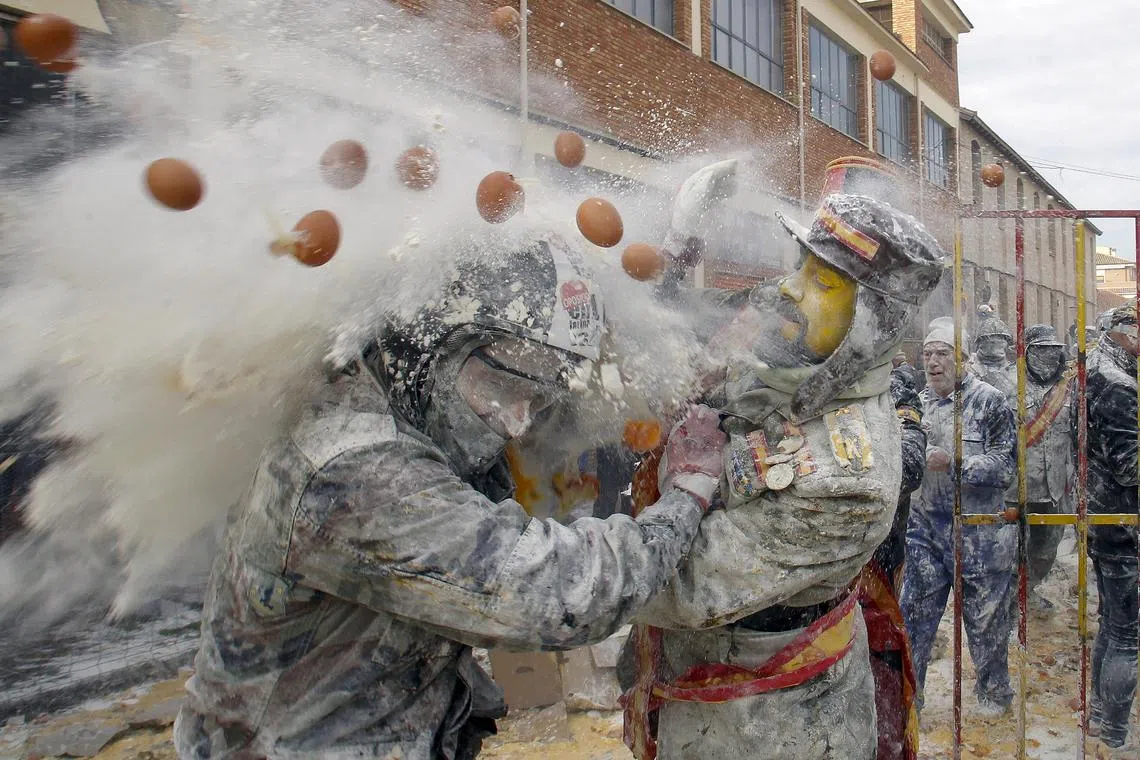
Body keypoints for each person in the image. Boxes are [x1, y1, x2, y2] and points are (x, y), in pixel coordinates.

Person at [173, 238, 728, 760]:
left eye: (536, 396)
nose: (517, 421)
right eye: (509, 388)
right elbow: (562, 592)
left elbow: (556, 424)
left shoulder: (413, 393)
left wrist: (665, 283)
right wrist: (688, 491)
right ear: (434, 338)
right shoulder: (354, 471)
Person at [619, 193, 944, 760]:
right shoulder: (804, 344)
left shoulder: (847, 479)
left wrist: (685, 486)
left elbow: (672, 588)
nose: (791, 287)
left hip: (770, 718)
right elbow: (692, 317)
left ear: (872, 324)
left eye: (824, 282)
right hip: (706, 685)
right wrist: (677, 248)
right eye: (802, 265)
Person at [901, 317, 1017, 718]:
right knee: (912, 621)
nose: (933, 362)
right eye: (928, 353)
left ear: (962, 358)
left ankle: (993, 701)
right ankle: (908, 702)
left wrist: (956, 461)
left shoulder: (989, 401)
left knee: (986, 626)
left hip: (978, 532)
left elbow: (1006, 467)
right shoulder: (915, 405)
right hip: (925, 531)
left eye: (943, 353)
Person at [1084, 305, 1139, 755]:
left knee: (1110, 625)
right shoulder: (1118, 385)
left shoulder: (1093, 370)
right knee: (1127, 634)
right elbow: (1127, 465)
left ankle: (1101, 713)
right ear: (1122, 334)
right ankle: (1115, 733)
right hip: (1122, 523)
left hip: (1102, 516)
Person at [1003, 324, 1074, 611]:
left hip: (1054, 486)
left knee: (1046, 550)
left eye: (1052, 350)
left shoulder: (1070, 388)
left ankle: (1028, 589)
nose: (1047, 356)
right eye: (1040, 350)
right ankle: (1009, 600)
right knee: (1010, 550)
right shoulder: (1006, 385)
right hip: (1014, 486)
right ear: (1027, 353)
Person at [971, 316, 1016, 397]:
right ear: (981, 343)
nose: (994, 345)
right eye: (990, 341)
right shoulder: (967, 369)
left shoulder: (1015, 371)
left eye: (1000, 340)